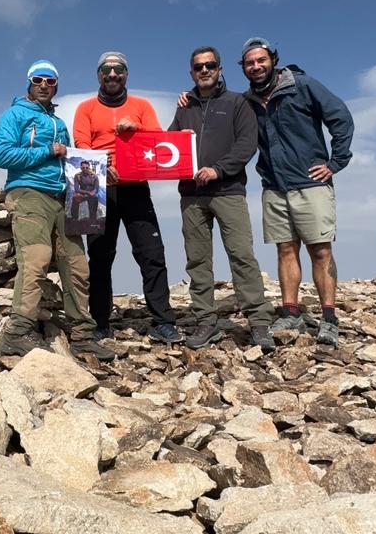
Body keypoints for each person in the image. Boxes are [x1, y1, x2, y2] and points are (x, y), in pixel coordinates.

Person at [0, 61, 113, 361]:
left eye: (50, 80)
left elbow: (70, 162)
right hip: (29, 193)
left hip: (64, 197)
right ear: (29, 83)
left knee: (76, 264)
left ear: (56, 85)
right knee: (36, 258)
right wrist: (48, 150)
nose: (44, 84)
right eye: (38, 79)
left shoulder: (58, 123)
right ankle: (16, 332)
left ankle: (83, 335)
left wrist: (96, 165)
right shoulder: (14, 115)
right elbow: (2, 154)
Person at [239, 37, 354, 348]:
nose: (256, 66)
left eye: (261, 60)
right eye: (249, 63)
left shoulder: (302, 85)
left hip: (310, 183)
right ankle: (291, 312)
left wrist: (335, 162)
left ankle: (329, 318)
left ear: (273, 60)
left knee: (320, 250)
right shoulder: (248, 100)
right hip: (274, 186)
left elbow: (340, 117)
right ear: (243, 68)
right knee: (285, 250)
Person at [170, 45, 276, 352]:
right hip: (191, 196)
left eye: (210, 65)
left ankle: (258, 322)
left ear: (220, 69)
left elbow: (247, 144)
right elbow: (169, 146)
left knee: (242, 255)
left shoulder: (237, 103)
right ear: (192, 72)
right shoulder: (184, 107)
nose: (204, 70)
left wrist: (218, 170)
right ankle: (206, 321)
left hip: (228, 192)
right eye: (198, 67)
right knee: (198, 260)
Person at [73, 51, 179, 342]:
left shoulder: (142, 106)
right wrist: (99, 162)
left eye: (118, 69)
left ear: (126, 74)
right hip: (97, 188)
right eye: (106, 70)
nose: (112, 75)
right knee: (99, 257)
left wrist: (137, 128)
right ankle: (100, 322)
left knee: (151, 254)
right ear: (98, 75)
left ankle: (163, 321)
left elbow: (158, 140)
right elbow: (81, 144)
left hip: (136, 187)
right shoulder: (85, 108)